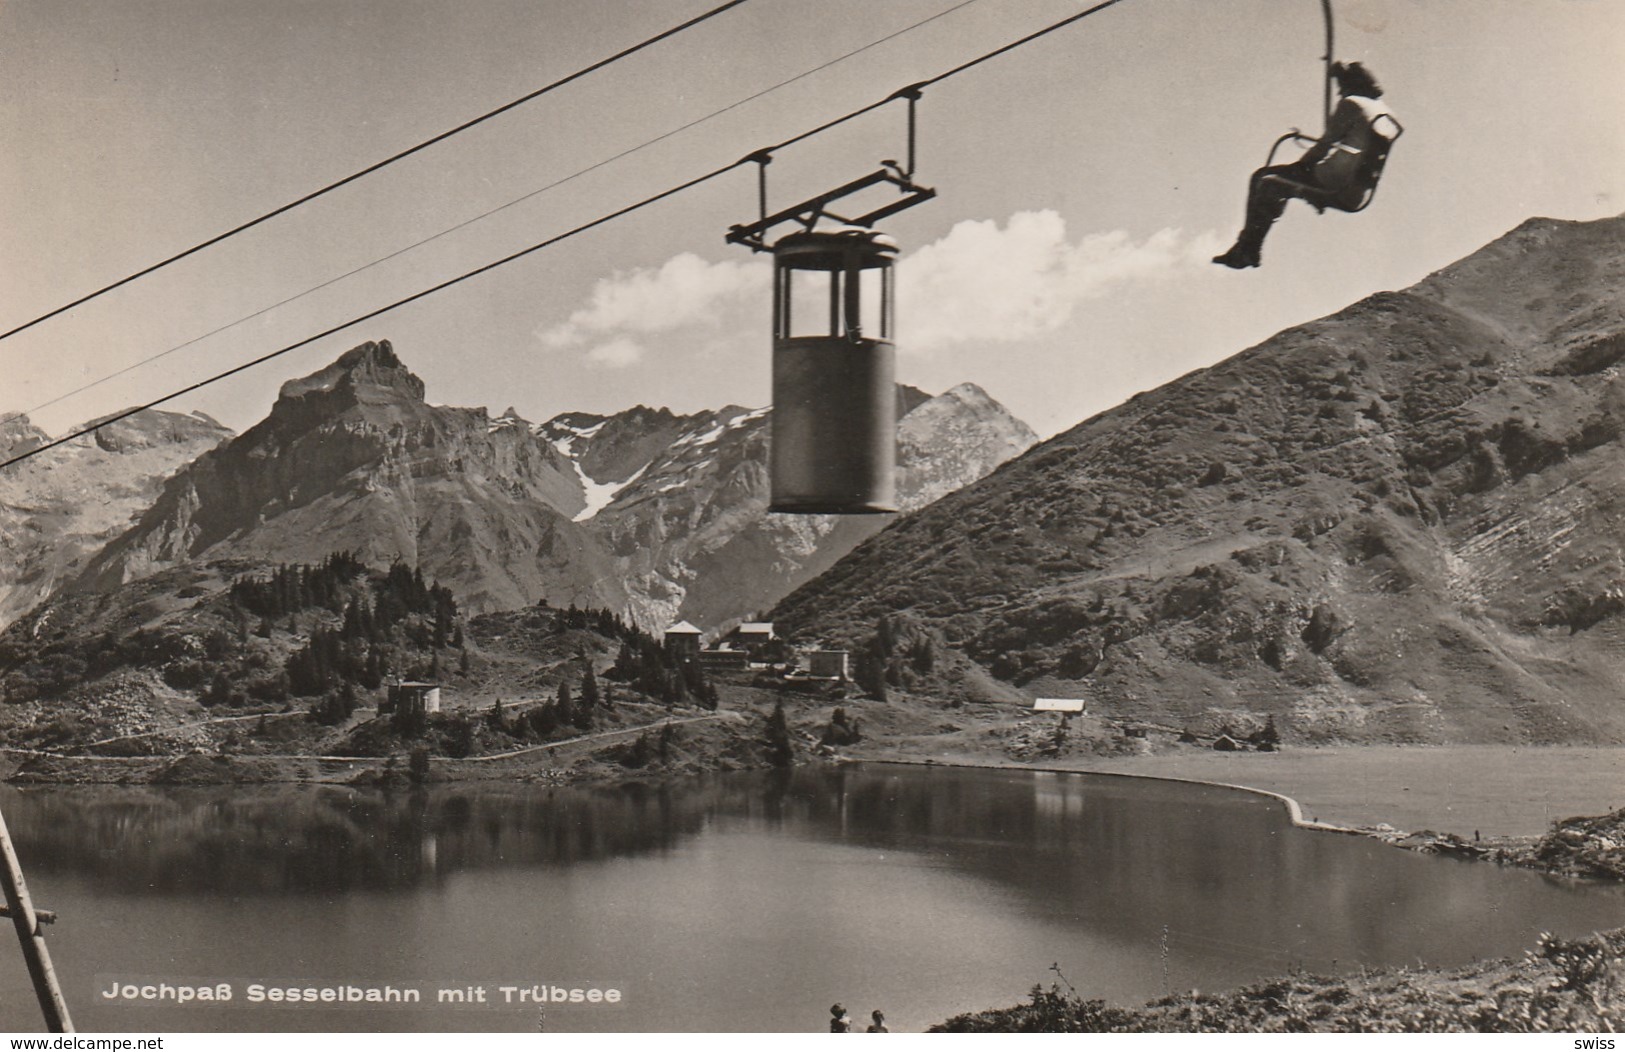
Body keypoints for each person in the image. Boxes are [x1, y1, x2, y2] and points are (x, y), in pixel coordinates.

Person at [1213, 62, 1397, 269]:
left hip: (1332, 181)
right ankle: (1247, 248)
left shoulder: (1351, 103)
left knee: (1264, 180)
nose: (1339, 92)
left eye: (1340, 86)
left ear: (1349, 84)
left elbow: (1324, 145)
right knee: (1275, 181)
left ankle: (1247, 249)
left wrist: (1301, 165)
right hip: (1357, 191)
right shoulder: (1385, 112)